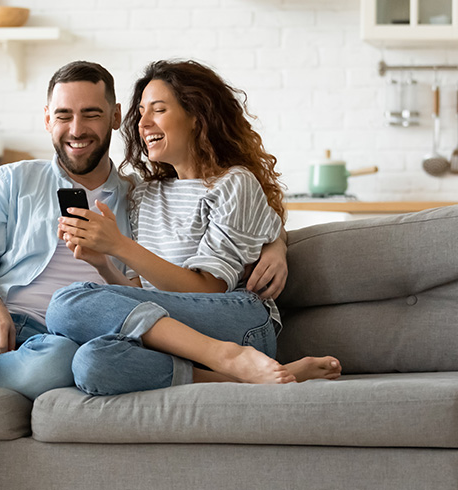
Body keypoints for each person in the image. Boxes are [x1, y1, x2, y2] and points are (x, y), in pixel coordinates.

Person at [0, 60, 290, 490]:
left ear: (115, 117)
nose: (76, 129)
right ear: (47, 119)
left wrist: (277, 244)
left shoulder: (135, 195)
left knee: (63, 355)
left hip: (60, 338)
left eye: (91, 114)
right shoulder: (13, 180)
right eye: (63, 115)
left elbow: (234, 213)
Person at [46, 59, 341, 396]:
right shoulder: (145, 194)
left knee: (66, 303)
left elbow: (208, 290)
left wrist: (119, 246)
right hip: (175, 329)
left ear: (197, 117)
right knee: (92, 363)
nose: (142, 123)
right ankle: (242, 374)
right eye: (140, 112)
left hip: (237, 322)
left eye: (158, 110)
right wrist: (103, 262)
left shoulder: (233, 184)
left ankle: (230, 356)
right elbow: (142, 297)